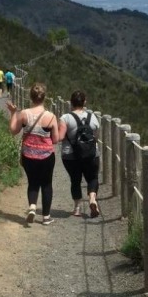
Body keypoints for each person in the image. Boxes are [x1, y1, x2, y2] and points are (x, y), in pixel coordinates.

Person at [6, 83, 59, 225]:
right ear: (44, 97)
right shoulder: (51, 117)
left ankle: (32, 207)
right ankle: (46, 217)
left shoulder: (23, 114)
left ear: (30, 96)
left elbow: (13, 131)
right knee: (47, 184)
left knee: (33, 182)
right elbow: (55, 139)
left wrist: (13, 113)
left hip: (28, 155)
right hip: (46, 156)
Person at [58, 90, 101, 218]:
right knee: (92, 178)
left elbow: (60, 137)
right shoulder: (92, 117)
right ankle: (92, 199)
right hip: (91, 154)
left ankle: (77, 208)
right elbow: (96, 136)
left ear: (71, 103)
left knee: (75, 180)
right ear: (84, 102)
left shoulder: (65, 118)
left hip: (70, 155)